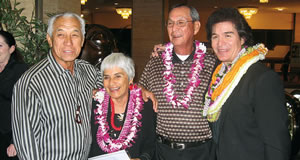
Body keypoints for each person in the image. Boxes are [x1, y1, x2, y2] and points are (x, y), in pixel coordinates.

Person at [11, 12, 102, 159]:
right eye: (61, 35)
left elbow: (115, 87)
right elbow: (26, 146)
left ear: (82, 40)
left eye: (74, 35)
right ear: (49, 39)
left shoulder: (88, 71)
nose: (68, 42)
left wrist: (139, 90)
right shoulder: (31, 83)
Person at [204, 8, 291, 160]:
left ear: (242, 38)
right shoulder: (219, 74)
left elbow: (276, 143)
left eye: (228, 35)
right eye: (215, 36)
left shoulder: (262, 79)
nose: (220, 43)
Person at [139, 4, 218, 160]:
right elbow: (138, 90)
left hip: (202, 152)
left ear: (195, 27)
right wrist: (140, 89)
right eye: (170, 23)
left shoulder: (213, 63)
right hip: (163, 150)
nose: (174, 28)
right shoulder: (155, 63)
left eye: (181, 22)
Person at [89, 52, 156, 160]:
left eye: (118, 76)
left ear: (130, 79)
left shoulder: (145, 106)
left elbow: (150, 144)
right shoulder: (94, 104)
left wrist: (142, 158)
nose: (111, 83)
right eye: (107, 77)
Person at [0, 30, 28, 160]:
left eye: (0, 46)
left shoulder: (21, 71)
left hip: (10, 138)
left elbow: (27, 108)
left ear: (11, 49)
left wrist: (16, 140)